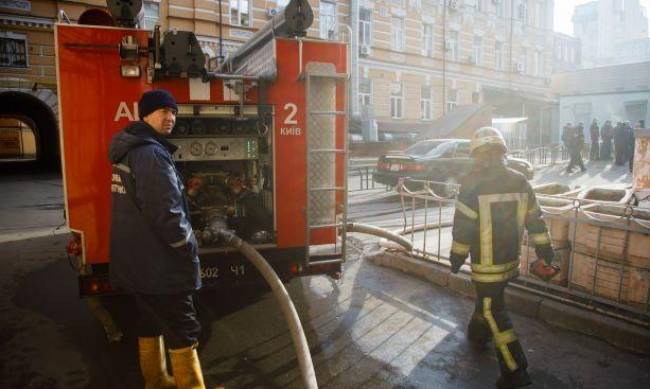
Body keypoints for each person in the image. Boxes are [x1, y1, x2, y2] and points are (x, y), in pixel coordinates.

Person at [109, 89, 207, 389]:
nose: (170, 117)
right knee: (182, 327)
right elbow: (166, 213)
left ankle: (157, 381)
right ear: (146, 115)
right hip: (160, 262)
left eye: (173, 111)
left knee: (149, 321)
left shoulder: (129, 148)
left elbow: (146, 202)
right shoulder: (151, 153)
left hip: (137, 260)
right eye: (163, 111)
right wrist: (187, 247)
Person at [449, 127, 557, 389]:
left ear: (476, 154)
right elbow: (536, 220)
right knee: (489, 298)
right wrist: (546, 252)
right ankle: (478, 334)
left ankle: (515, 371)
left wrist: (456, 258)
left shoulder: (472, 184)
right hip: (510, 261)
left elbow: (464, 227)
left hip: (486, 266)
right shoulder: (520, 180)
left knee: (491, 308)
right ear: (502, 152)